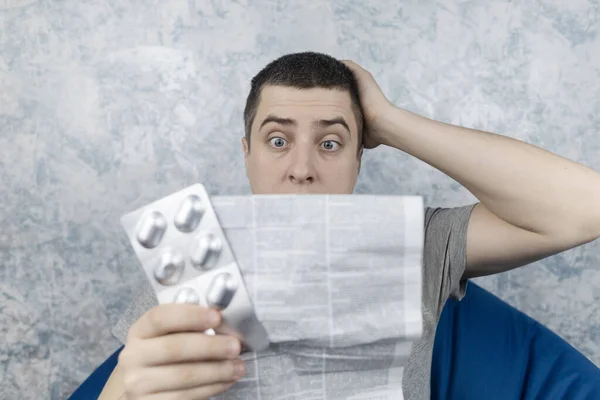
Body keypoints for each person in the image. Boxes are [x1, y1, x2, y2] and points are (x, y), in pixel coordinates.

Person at [99, 52, 600, 399]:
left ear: (361, 157)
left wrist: (391, 121)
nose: (302, 167)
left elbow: (585, 209)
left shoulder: (413, 245)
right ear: (245, 153)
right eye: (277, 141)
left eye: (332, 143)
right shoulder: (191, 256)